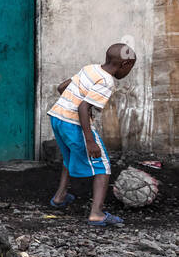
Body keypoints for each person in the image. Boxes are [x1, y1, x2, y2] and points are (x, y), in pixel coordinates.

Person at [47, 43, 136, 226]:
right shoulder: (106, 81)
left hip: (57, 117)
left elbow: (62, 87)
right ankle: (96, 213)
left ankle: (59, 197)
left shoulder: (90, 68)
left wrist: (72, 102)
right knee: (103, 166)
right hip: (73, 123)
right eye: (130, 67)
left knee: (69, 157)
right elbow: (83, 107)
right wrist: (90, 141)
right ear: (125, 65)